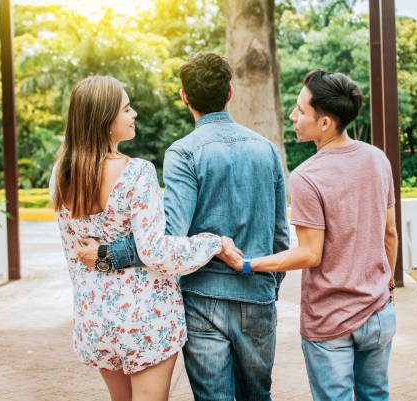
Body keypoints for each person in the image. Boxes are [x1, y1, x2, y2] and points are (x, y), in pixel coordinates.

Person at [75, 53, 290, 401]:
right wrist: (269, 288)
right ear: (230, 93)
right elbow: (281, 233)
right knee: (257, 395)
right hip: (257, 293)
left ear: (184, 97)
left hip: (203, 298)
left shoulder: (183, 153)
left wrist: (109, 253)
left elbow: (167, 234)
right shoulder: (266, 150)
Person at [50, 75, 241, 401]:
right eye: (126, 109)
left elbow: (75, 255)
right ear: (105, 120)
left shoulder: (61, 175)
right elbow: (156, 253)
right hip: (143, 318)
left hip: (94, 317)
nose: (134, 114)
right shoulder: (136, 172)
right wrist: (213, 242)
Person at [226, 69, 398, 401]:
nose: (293, 116)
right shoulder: (378, 160)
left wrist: (247, 264)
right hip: (378, 311)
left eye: (301, 110)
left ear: (325, 123)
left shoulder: (308, 176)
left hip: (330, 320)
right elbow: (390, 232)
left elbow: (309, 254)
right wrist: (386, 286)